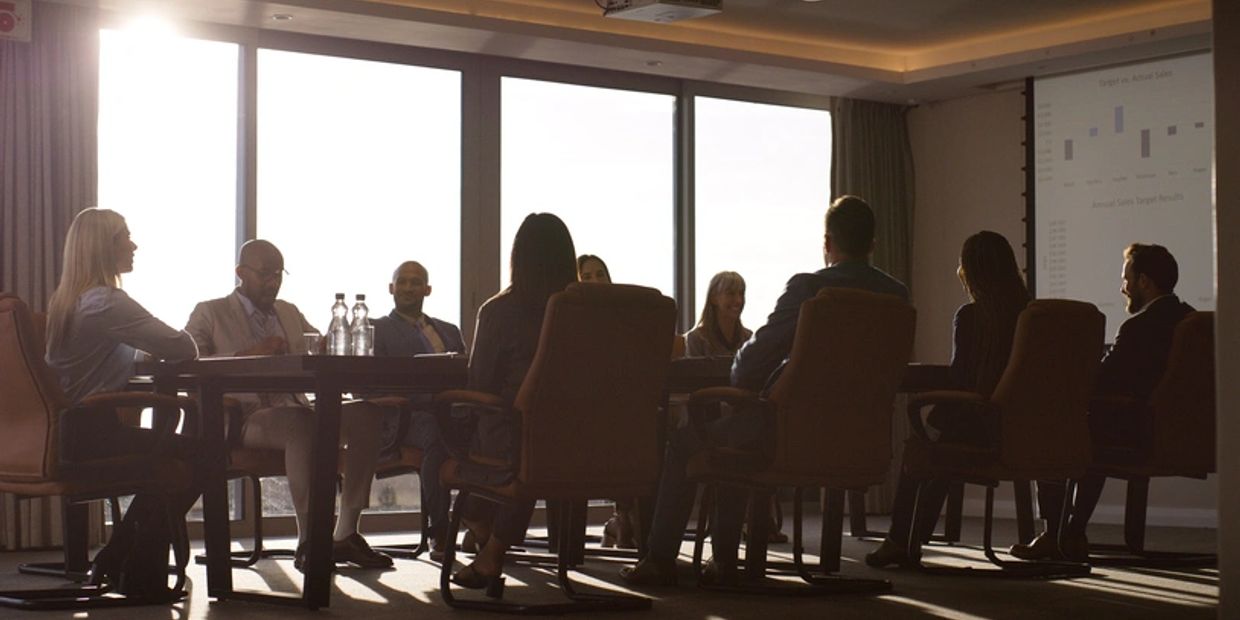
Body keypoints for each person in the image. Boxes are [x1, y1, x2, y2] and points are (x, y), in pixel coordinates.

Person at [621, 195, 909, 586]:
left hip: (790, 434)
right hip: (860, 441)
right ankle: (722, 559)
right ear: (872, 244)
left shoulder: (810, 290)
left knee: (694, 440)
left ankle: (660, 560)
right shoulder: (896, 298)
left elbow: (749, 367)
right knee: (739, 430)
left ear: (827, 243)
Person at [184, 239, 391, 570]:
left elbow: (316, 347)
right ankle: (311, 540)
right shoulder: (210, 311)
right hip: (244, 417)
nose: (273, 282)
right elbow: (190, 361)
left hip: (298, 407)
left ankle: (345, 534)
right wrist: (248, 355)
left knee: (367, 414)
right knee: (301, 424)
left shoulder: (290, 312)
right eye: (266, 273)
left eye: (279, 273)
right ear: (241, 273)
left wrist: (326, 347)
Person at [45, 208, 201, 595]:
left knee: (170, 457)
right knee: (203, 453)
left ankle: (120, 558)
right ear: (103, 247)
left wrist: (140, 354)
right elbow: (183, 346)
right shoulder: (106, 302)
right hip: (92, 433)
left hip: (62, 433)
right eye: (124, 237)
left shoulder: (69, 302)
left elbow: (109, 358)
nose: (134, 245)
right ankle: (137, 567)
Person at [1012, 243, 1194, 561]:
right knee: (1088, 427)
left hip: (1135, 430)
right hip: (1183, 433)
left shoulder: (1139, 327)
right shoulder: (1192, 321)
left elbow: (1098, 381)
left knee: (1056, 431)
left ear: (1144, 282)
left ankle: (1056, 533)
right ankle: (1071, 532)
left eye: (1126, 278)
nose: (1122, 287)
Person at [865, 230, 1030, 568]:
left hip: (984, 428)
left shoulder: (971, 317)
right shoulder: (1032, 317)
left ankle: (902, 540)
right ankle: (913, 534)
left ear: (971, 271)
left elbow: (960, 383)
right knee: (938, 436)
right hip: (1028, 432)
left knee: (924, 444)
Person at [447, 212, 579, 590]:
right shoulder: (587, 312)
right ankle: (492, 544)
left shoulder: (500, 311)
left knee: (448, 443)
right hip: (583, 441)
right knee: (524, 446)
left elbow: (480, 385)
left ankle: (489, 546)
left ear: (517, 257)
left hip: (515, 439)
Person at [370, 260, 465, 556]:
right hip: (405, 415)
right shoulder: (376, 329)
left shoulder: (449, 331)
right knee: (436, 435)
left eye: (416, 282)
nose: (409, 287)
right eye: (403, 282)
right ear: (391, 288)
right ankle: (440, 528)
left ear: (428, 289)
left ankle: (481, 524)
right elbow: (368, 385)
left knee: (492, 431)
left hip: (454, 410)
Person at [684, 270, 751, 357]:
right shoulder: (697, 339)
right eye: (730, 294)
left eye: (741, 294)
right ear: (713, 298)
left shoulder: (748, 338)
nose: (738, 300)